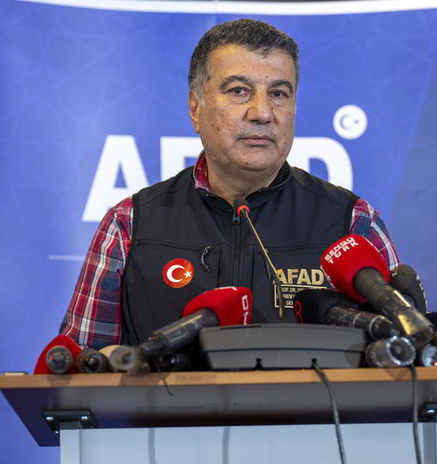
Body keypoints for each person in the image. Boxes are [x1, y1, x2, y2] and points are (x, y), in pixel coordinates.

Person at [60, 19, 399, 349]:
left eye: (279, 93)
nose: (262, 112)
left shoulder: (352, 222)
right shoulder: (129, 224)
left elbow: (405, 358)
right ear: (196, 108)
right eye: (239, 91)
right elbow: (79, 372)